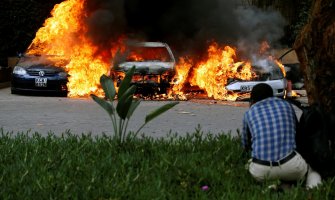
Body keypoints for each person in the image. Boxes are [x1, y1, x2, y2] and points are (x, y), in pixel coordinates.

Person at [241, 83, 321, 189]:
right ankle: (311, 188)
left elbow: (245, 145)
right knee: (312, 170)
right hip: (291, 166)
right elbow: (297, 133)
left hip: (261, 171)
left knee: (250, 164)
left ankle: (273, 186)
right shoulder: (286, 105)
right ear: (272, 96)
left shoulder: (249, 113)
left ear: (252, 101)